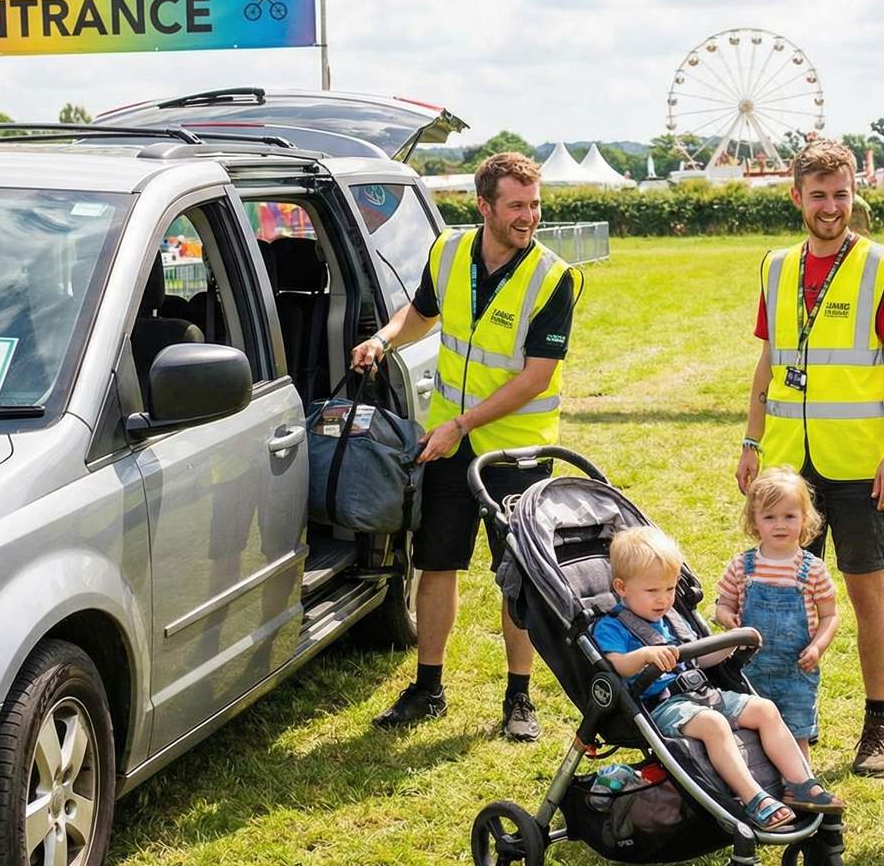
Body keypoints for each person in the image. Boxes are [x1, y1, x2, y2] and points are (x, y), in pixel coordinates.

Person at [352, 152, 580, 739]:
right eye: (516, 205)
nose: (529, 216)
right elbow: (421, 313)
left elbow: (535, 377)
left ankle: (519, 698)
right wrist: (384, 339)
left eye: (534, 205)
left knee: (519, 577)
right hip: (449, 446)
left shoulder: (555, 277)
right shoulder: (449, 251)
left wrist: (462, 423)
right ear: (484, 206)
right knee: (437, 563)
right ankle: (428, 688)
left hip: (516, 454)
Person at [738, 139, 884, 777]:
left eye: (841, 194)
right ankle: (778, 725)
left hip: (862, 464)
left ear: (853, 193)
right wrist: (751, 441)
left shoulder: (882, 265)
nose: (831, 207)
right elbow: (769, 361)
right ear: (797, 197)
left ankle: (877, 724)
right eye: (818, 195)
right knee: (778, 595)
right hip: (789, 467)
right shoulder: (776, 266)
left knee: (866, 594)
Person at [593, 527, 843, 829]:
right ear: (622, 587)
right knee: (714, 724)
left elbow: (699, 658)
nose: (663, 599)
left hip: (701, 694)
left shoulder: (671, 618)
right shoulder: (612, 626)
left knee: (765, 709)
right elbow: (616, 665)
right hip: (660, 706)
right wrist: (644, 656)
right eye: (652, 591)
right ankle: (753, 798)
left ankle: (799, 784)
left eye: (670, 589)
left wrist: (729, 644)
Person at [714, 467, 840, 762]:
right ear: (754, 521)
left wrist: (818, 647)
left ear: (805, 518)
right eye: (769, 517)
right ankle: (761, 779)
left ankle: (800, 781)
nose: (780, 525)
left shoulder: (812, 569)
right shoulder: (742, 566)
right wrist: (726, 617)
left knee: (796, 733)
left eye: (789, 516)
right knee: (751, 733)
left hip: (796, 671)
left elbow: (830, 616)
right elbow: (723, 604)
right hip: (748, 669)